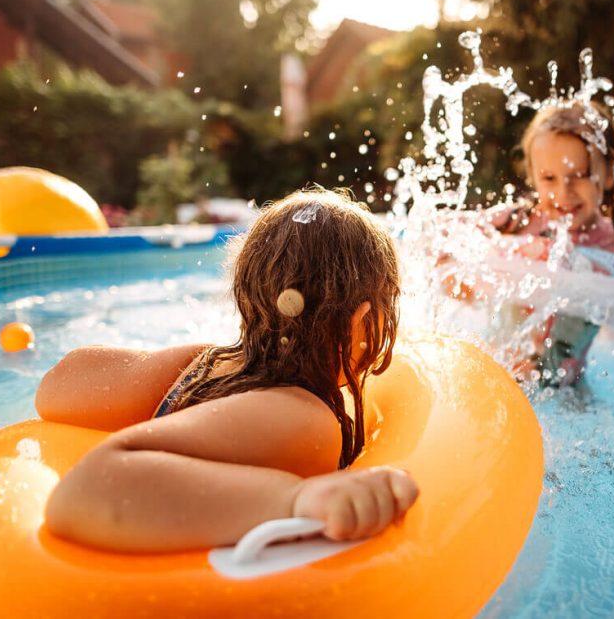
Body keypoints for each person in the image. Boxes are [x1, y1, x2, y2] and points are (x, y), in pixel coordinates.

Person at [37, 188, 418, 553]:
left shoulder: (201, 366)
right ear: (363, 320)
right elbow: (87, 489)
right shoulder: (304, 417)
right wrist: (295, 500)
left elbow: (54, 386)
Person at [470, 103, 614, 387]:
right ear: (533, 177)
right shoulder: (517, 221)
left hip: (568, 392)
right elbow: (448, 233)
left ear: (607, 175)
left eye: (579, 176)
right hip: (496, 378)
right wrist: (462, 279)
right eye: (548, 178)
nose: (563, 192)